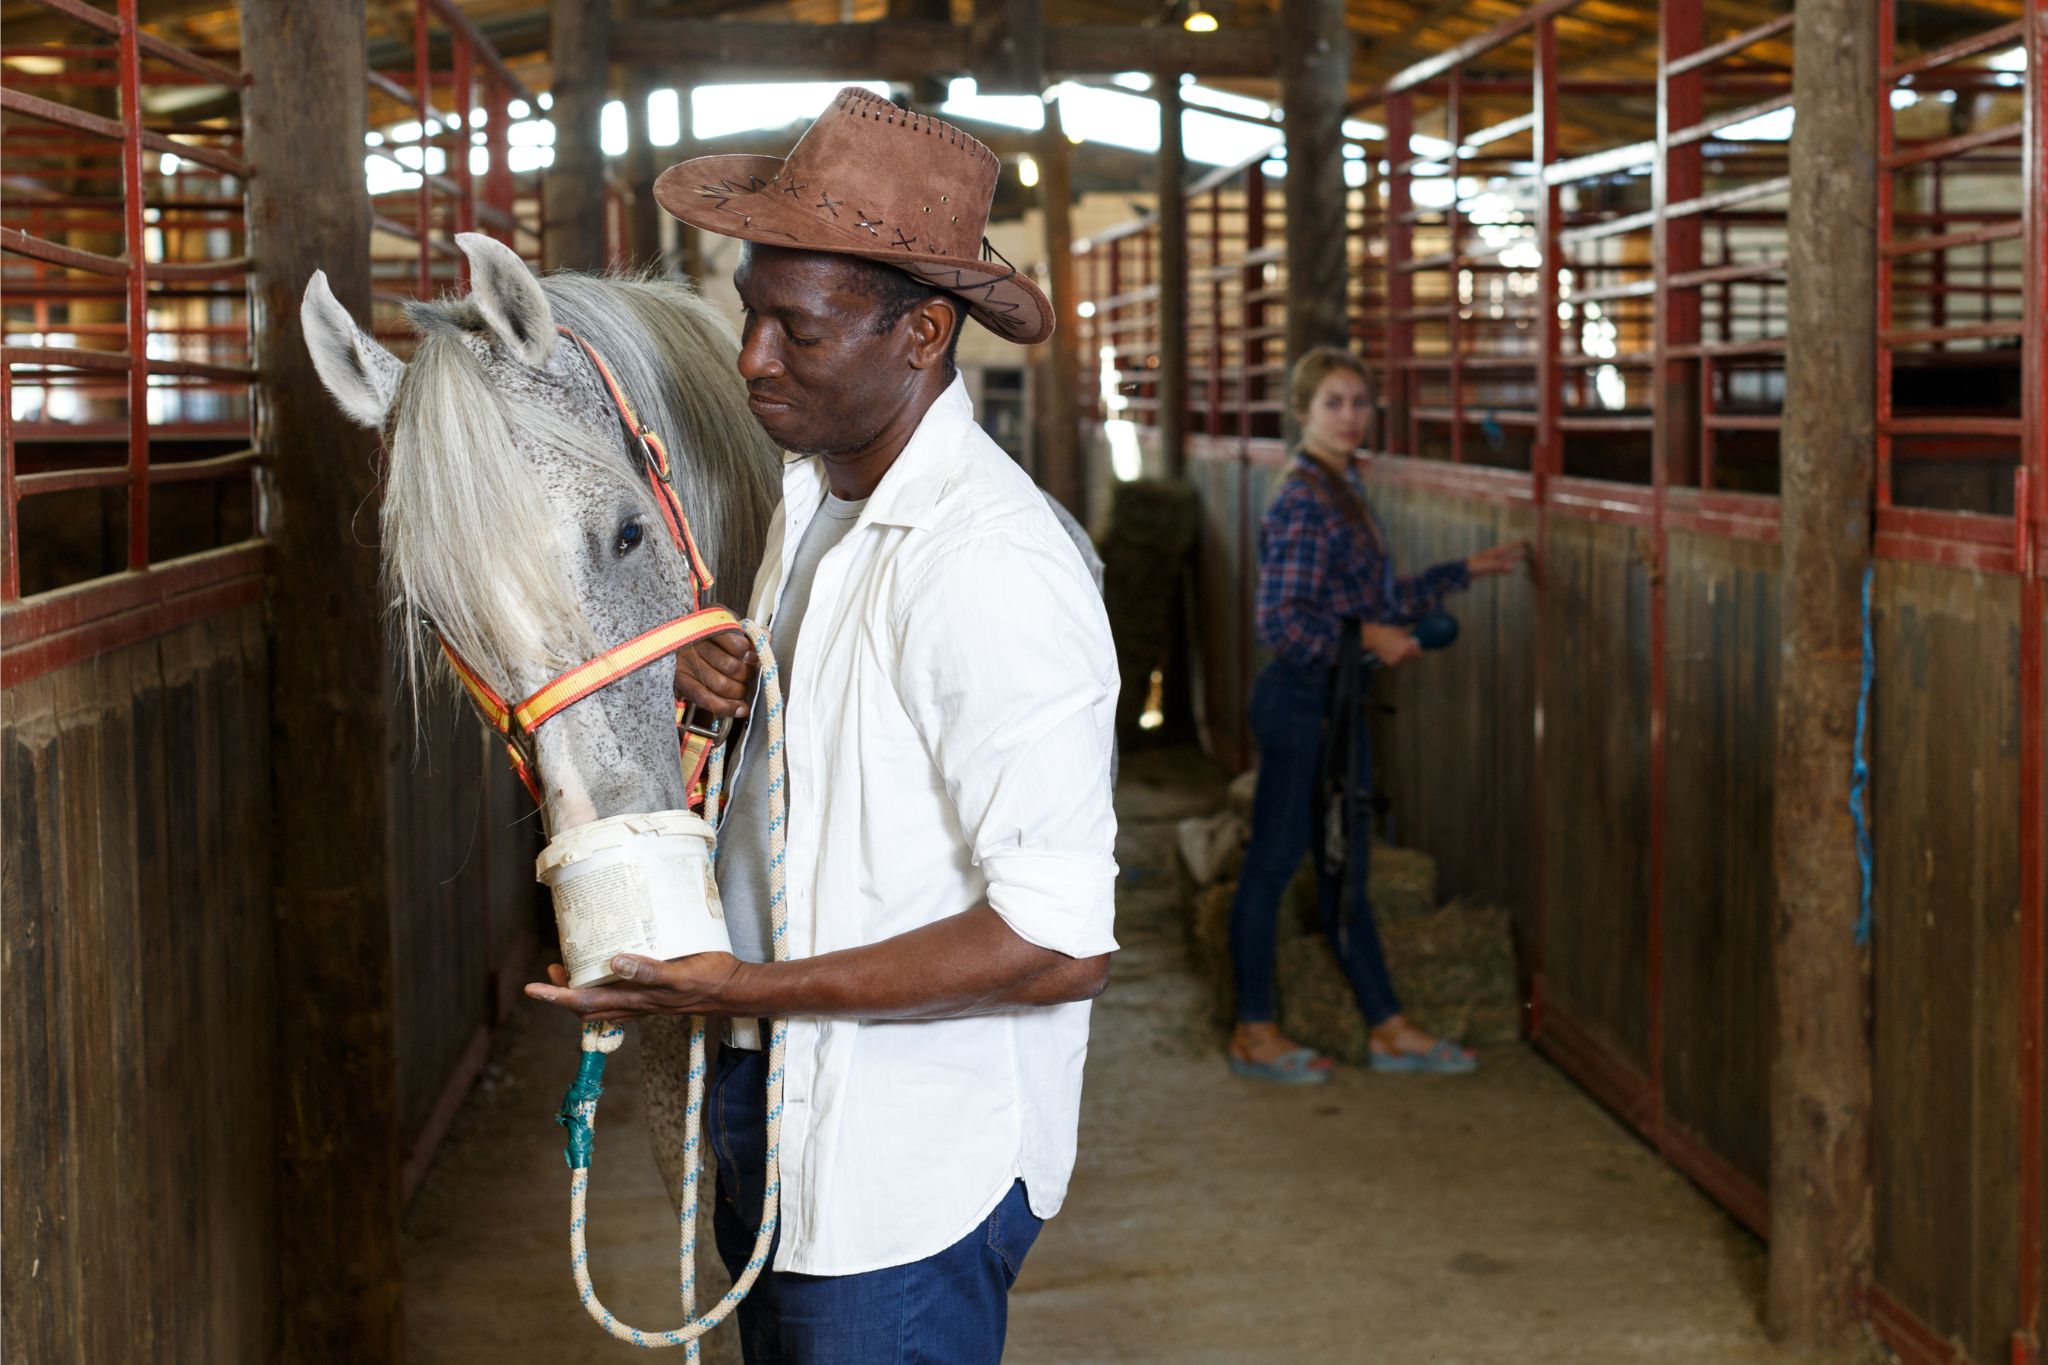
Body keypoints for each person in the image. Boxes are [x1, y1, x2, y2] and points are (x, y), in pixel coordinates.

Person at [525, 89, 1119, 1363]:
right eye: (750, 312)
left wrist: (749, 989)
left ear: (920, 334)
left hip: (901, 1167)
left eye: (796, 327)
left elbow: (1057, 943)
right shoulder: (817, 504)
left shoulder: (990, 565)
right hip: (782, 1101)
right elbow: (847, 794)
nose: (751, 358)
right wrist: (730, 702)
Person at [1225, 347, 1527, 1084]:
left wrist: (1464, 573)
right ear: (1302, 411)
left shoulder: (1344, 485)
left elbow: (1373, 602)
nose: (1351, 416)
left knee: (1345, 866)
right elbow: (1282, 623)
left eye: (1360, 401)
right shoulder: (1303, 497)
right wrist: (1368, 639)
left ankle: (1387, 1024)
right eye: (1334, 402)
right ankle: (1254, 1028)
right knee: (1272, 865)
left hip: (1337, 702)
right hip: (1301, 701)